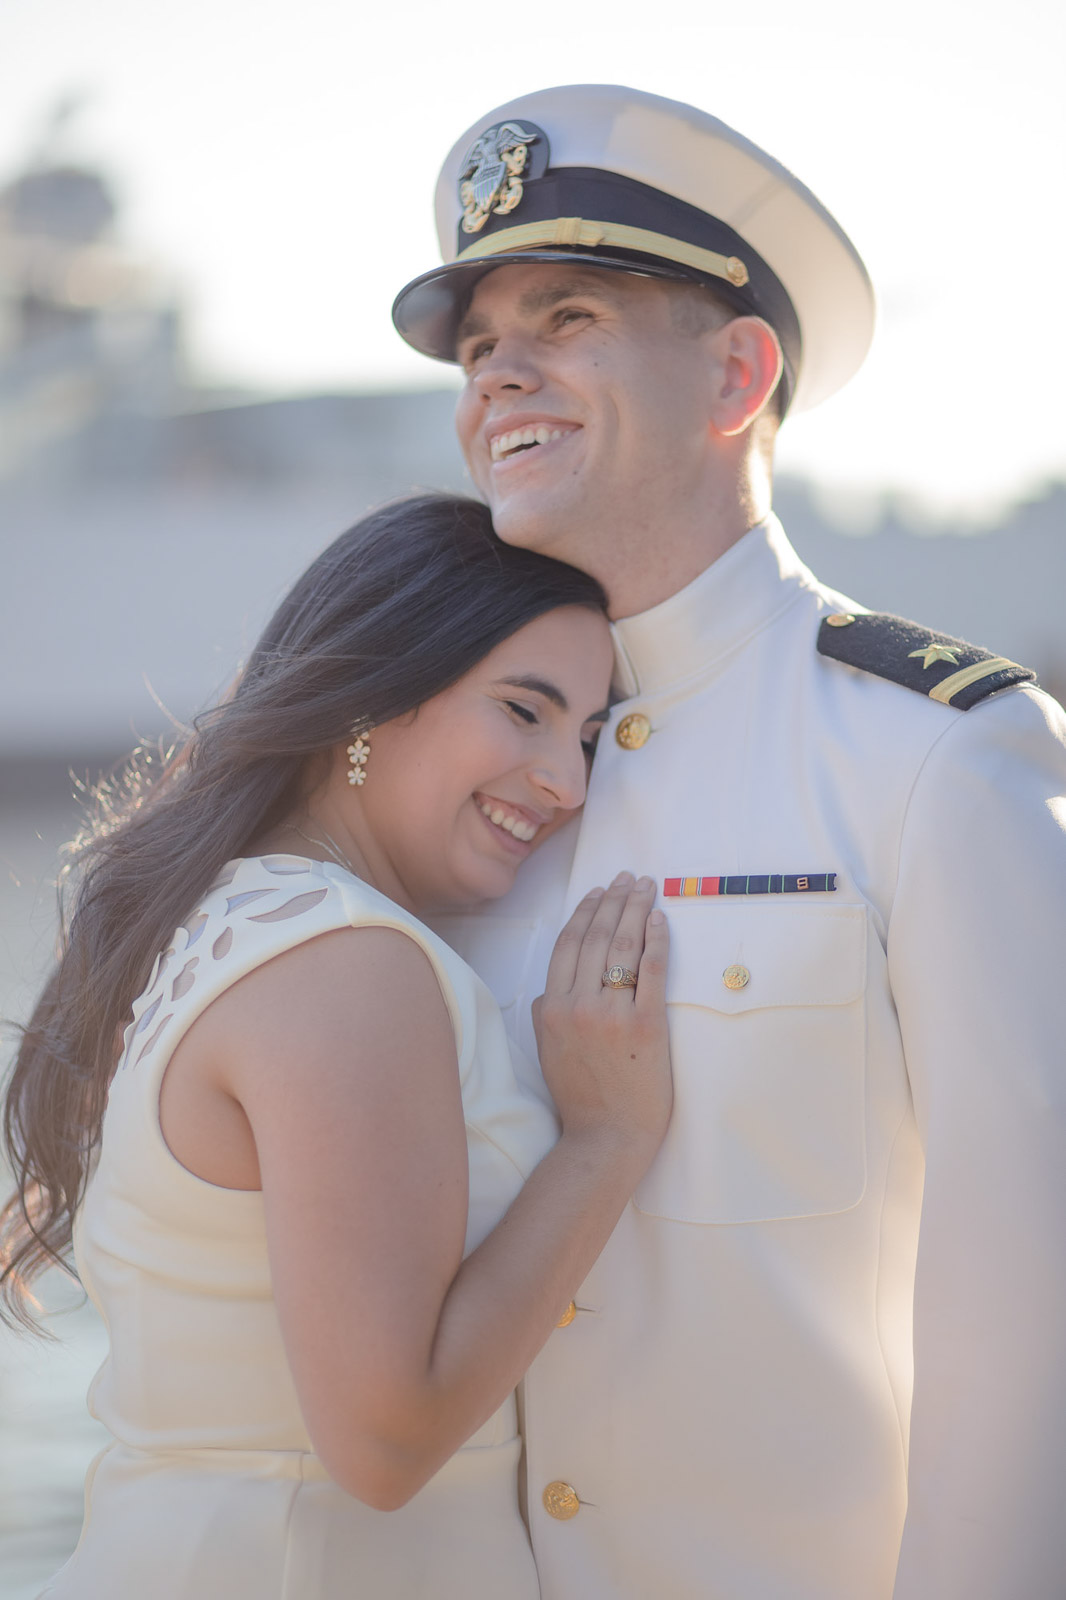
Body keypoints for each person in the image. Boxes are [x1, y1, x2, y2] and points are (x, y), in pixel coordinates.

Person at [390, 85, 1066, 1598]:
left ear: (735, 374)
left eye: (562, 318)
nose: (501, 374)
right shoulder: (433, 780)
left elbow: (1029, 1313)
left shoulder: (937, 754)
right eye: (480, 347)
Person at [0, 492, 675, 1600]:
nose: (569, 781)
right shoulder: (343, 963)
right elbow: (385, 1439)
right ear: (373, 694)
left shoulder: (223, 920)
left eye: (591, 737)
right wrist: (605, 1136)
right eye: (524, 710)